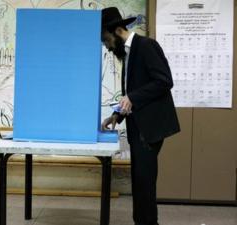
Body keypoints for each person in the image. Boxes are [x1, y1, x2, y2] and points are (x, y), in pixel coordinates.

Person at [100, 7, 180, 225]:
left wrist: (133, 98)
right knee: (140, 182)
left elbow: (164, 81)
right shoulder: (128, 53)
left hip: (150, 128)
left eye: (106, 40)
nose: (107, 47)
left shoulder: (146, 46)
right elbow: (133, 92)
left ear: (117, 31)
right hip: (139, 126)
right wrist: (117, 115)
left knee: (145, 184)